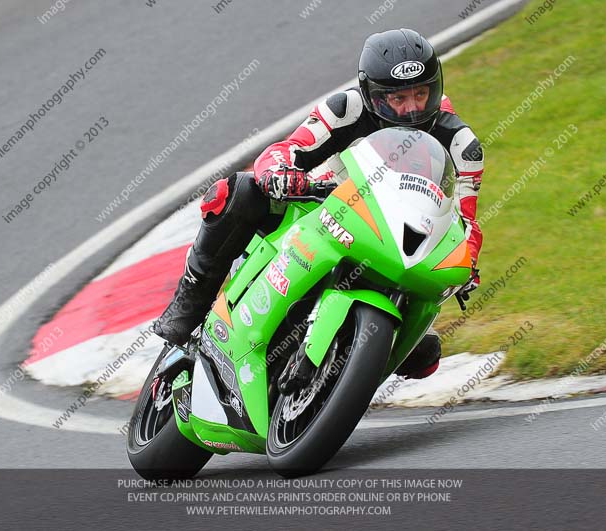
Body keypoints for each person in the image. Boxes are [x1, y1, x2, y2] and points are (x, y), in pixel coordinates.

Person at [152, 28, 484, 379]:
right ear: (373, 94)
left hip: (398, 245)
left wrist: (468, 266)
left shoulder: (462, 145)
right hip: (324, 212)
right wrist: (279, 173)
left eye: (421, 94)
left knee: (425, 357)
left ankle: (348, 369)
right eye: (397, 99)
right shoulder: (346, 109)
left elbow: (467, 223)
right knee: (236, 193)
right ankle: (186, 308)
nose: (412, 108)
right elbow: (285, 150)